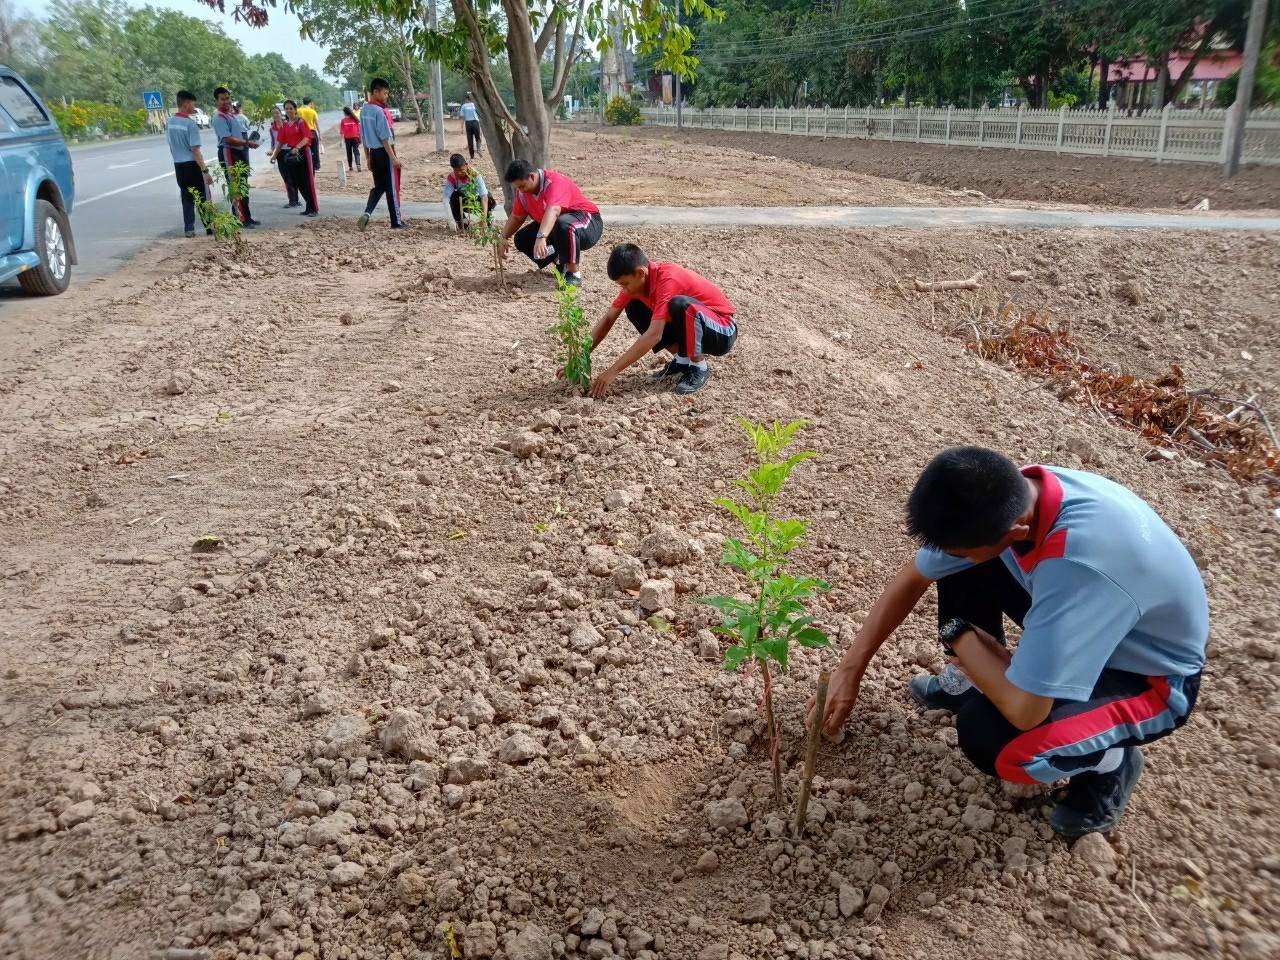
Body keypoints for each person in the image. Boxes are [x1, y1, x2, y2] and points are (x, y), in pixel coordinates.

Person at [818, 447, 1208, 837]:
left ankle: (1111, 762)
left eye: (962, 548)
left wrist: (961, 638)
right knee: (963, 567)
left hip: (1150, 679)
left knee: (992, 736)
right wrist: (850, 669)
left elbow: (1026, 712)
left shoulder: (1076, 567)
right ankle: (973, 681)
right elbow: (914, 577)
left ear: (1016, 530)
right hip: (1097, 618)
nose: (950, 555)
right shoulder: (1014, 492)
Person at [581, 243, 736, 398]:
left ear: (641, 273)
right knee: (634, 307)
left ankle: (698, 367)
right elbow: (608, 319)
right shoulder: (636, 285)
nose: (624, 289)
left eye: (625, 284)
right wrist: (580, 358)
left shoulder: (667, 279)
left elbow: (654, 334)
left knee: (680, 305)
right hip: (694, 328)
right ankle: (682, 361)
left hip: (722, 330)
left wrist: (612, 372)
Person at [497, 160, 603, 286]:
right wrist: (503, 237)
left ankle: (574, 274)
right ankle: (560, 260)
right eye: (518, 187)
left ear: (531, 176)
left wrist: (541, 236)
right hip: (558, 227)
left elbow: (554, 210)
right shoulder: (523, 194)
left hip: (587, 222)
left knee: (564, 223)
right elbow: (516, 217)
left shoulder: (554, 182)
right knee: (522, 239)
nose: (521, 190)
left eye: (522, 186)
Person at [356, 78, 403, 231]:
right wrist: (394, 158)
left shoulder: (364, 110)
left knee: (379, 187)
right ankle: (396, 222)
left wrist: (368, 158)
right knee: (391, 188)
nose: (386, 96)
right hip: (384, 154)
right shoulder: (378, 111)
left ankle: (367, 213)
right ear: (375, 92)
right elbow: (384, 138)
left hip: (373, 155)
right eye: (385, 93)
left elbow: (363, 137)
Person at [167, 90, 214, 238]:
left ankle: (189, 229)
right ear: (186, 103)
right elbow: (195, 150)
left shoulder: (170, 122)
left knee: (186, 197)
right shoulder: (190, 124)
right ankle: (208, 227)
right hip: (192, 166)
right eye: (192, 103)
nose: (194, 106)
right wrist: (205, 171)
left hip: (179, 166)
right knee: (201, 197)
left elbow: (171, 146)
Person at [212, 86, 260, 227]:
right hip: (229, 152)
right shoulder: (219, 117)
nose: (226, 101)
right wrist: (247, 142)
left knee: (243, 186)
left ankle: (247, 217)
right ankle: (240, 218)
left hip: (238, 151)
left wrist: (247, 143)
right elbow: (227, 139)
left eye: (228, 98)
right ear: (216, 101)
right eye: (222, 99)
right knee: (236, 187)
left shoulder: (230, 115)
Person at [268, 100, 319, 217]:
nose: (289, 110)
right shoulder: (285, 125)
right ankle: (308, 207)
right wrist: (274, 155)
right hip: (293, 154)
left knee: (307, 182)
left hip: (303, 153)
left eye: (291, 108)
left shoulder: (300, 122)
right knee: (298, 182)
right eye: (286, 108)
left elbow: (307, 137)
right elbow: (280, 142)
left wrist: (297, 147)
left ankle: (314, 208)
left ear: (295, 109)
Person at [442, 153, 495, 231]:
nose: (459, 173)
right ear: (453, 169)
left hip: (478, 202)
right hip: (466, 203)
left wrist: (483, 218)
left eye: (461, 170)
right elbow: (446, 198)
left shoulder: (475, 174)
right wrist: (451, 221)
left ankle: (488, 222)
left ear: (466, 165)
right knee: (454, 197)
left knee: (489, 196)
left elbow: (484, 197)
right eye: (457, 171)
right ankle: (464, 225)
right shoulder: (452, 177)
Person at [268, 105, 301, 208]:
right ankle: (293, 200)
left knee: (293, 176)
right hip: (280, 153)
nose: (275, 115)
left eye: (277, 113)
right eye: (273, 113)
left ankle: (295, 200)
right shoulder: (272, 128)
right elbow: (273, 142)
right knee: (286, 177)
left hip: (289, 151)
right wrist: (272, 151)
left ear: (281, 113)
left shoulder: (287, 124)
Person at [298, 97, 321, 172]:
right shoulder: (312, 111)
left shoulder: (298, 110)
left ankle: (305, 166)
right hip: (312, 132)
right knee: (315, 150)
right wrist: (320, 134)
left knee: (302, 150)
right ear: (310, 103)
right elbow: (317, 124)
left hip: (301, 133)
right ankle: (316, 167)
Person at [340, 106, 362, 173]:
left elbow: (342, 132)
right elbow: (359, 130)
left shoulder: (343, 121)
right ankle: (358, 165)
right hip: (355, 138)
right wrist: (360, 138)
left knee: (349, 152)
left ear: (344, 113)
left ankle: (350, 166)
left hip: (348, 139)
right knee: (356, 151)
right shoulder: (355, 120)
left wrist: (341, 141)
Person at [460, 94, 482, 159]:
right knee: (478, 137)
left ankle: (472, 156)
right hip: (475, 122)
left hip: (468, 123)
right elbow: (480, 114)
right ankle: (478, 149)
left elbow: (462, 117)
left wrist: (461, 128)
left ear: (467, 99)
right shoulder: (475, 105)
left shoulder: (463, 106)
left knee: (470, 140)